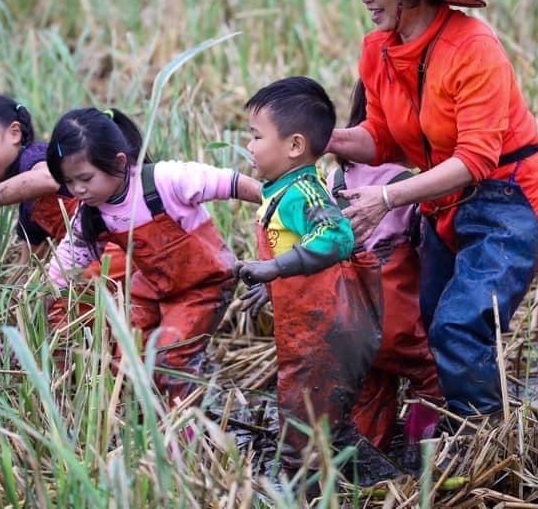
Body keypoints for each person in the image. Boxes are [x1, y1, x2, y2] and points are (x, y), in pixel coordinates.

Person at [309, 0, 538, 421]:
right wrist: (318, 140)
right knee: (432, 324)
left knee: (459, 324)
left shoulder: (473, 48)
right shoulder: (379, 51)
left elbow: (474, 160)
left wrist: (386, 198)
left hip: (510, 203)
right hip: (443, 206)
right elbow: (381, 137)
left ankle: (487, 447)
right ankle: (456, 427)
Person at [233, 77, 392, 479]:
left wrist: (273, 269)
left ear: (295, 146)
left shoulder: (304, 192)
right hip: (308, 328)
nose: (249, 146)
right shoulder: (281, 191)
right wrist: (273, 286)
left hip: (326, 331)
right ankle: (382, 484)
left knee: (307, 424)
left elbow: (337, 235)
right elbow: (297, 248)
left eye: (256, 136)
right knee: (320, 423)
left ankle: (332, 488)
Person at [45, 107, 260, 398]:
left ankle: (184, 433)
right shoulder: (92, 214)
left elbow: (229, 182)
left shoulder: (161, 181)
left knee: (170, 357)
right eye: (69, 182)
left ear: (119, 163)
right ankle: (143, 421)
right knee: (127, 356)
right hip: (153, 286)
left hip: (203, 285)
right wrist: (48, 294)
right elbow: (70, 257)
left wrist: (274, 200)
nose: (78, 190)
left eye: (85, 178)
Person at [328, 81, 442, 465]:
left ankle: (364, 461)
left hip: (348, 322)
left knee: (370, 388)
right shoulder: (407, 184)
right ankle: (416, 452)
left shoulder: (334, 181)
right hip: (395, 321)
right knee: (434, 371)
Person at [0, 95, 76, 258]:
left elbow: (47, 179)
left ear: (14, 133)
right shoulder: (29, 209)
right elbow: (28, 266)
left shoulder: (33, 156)